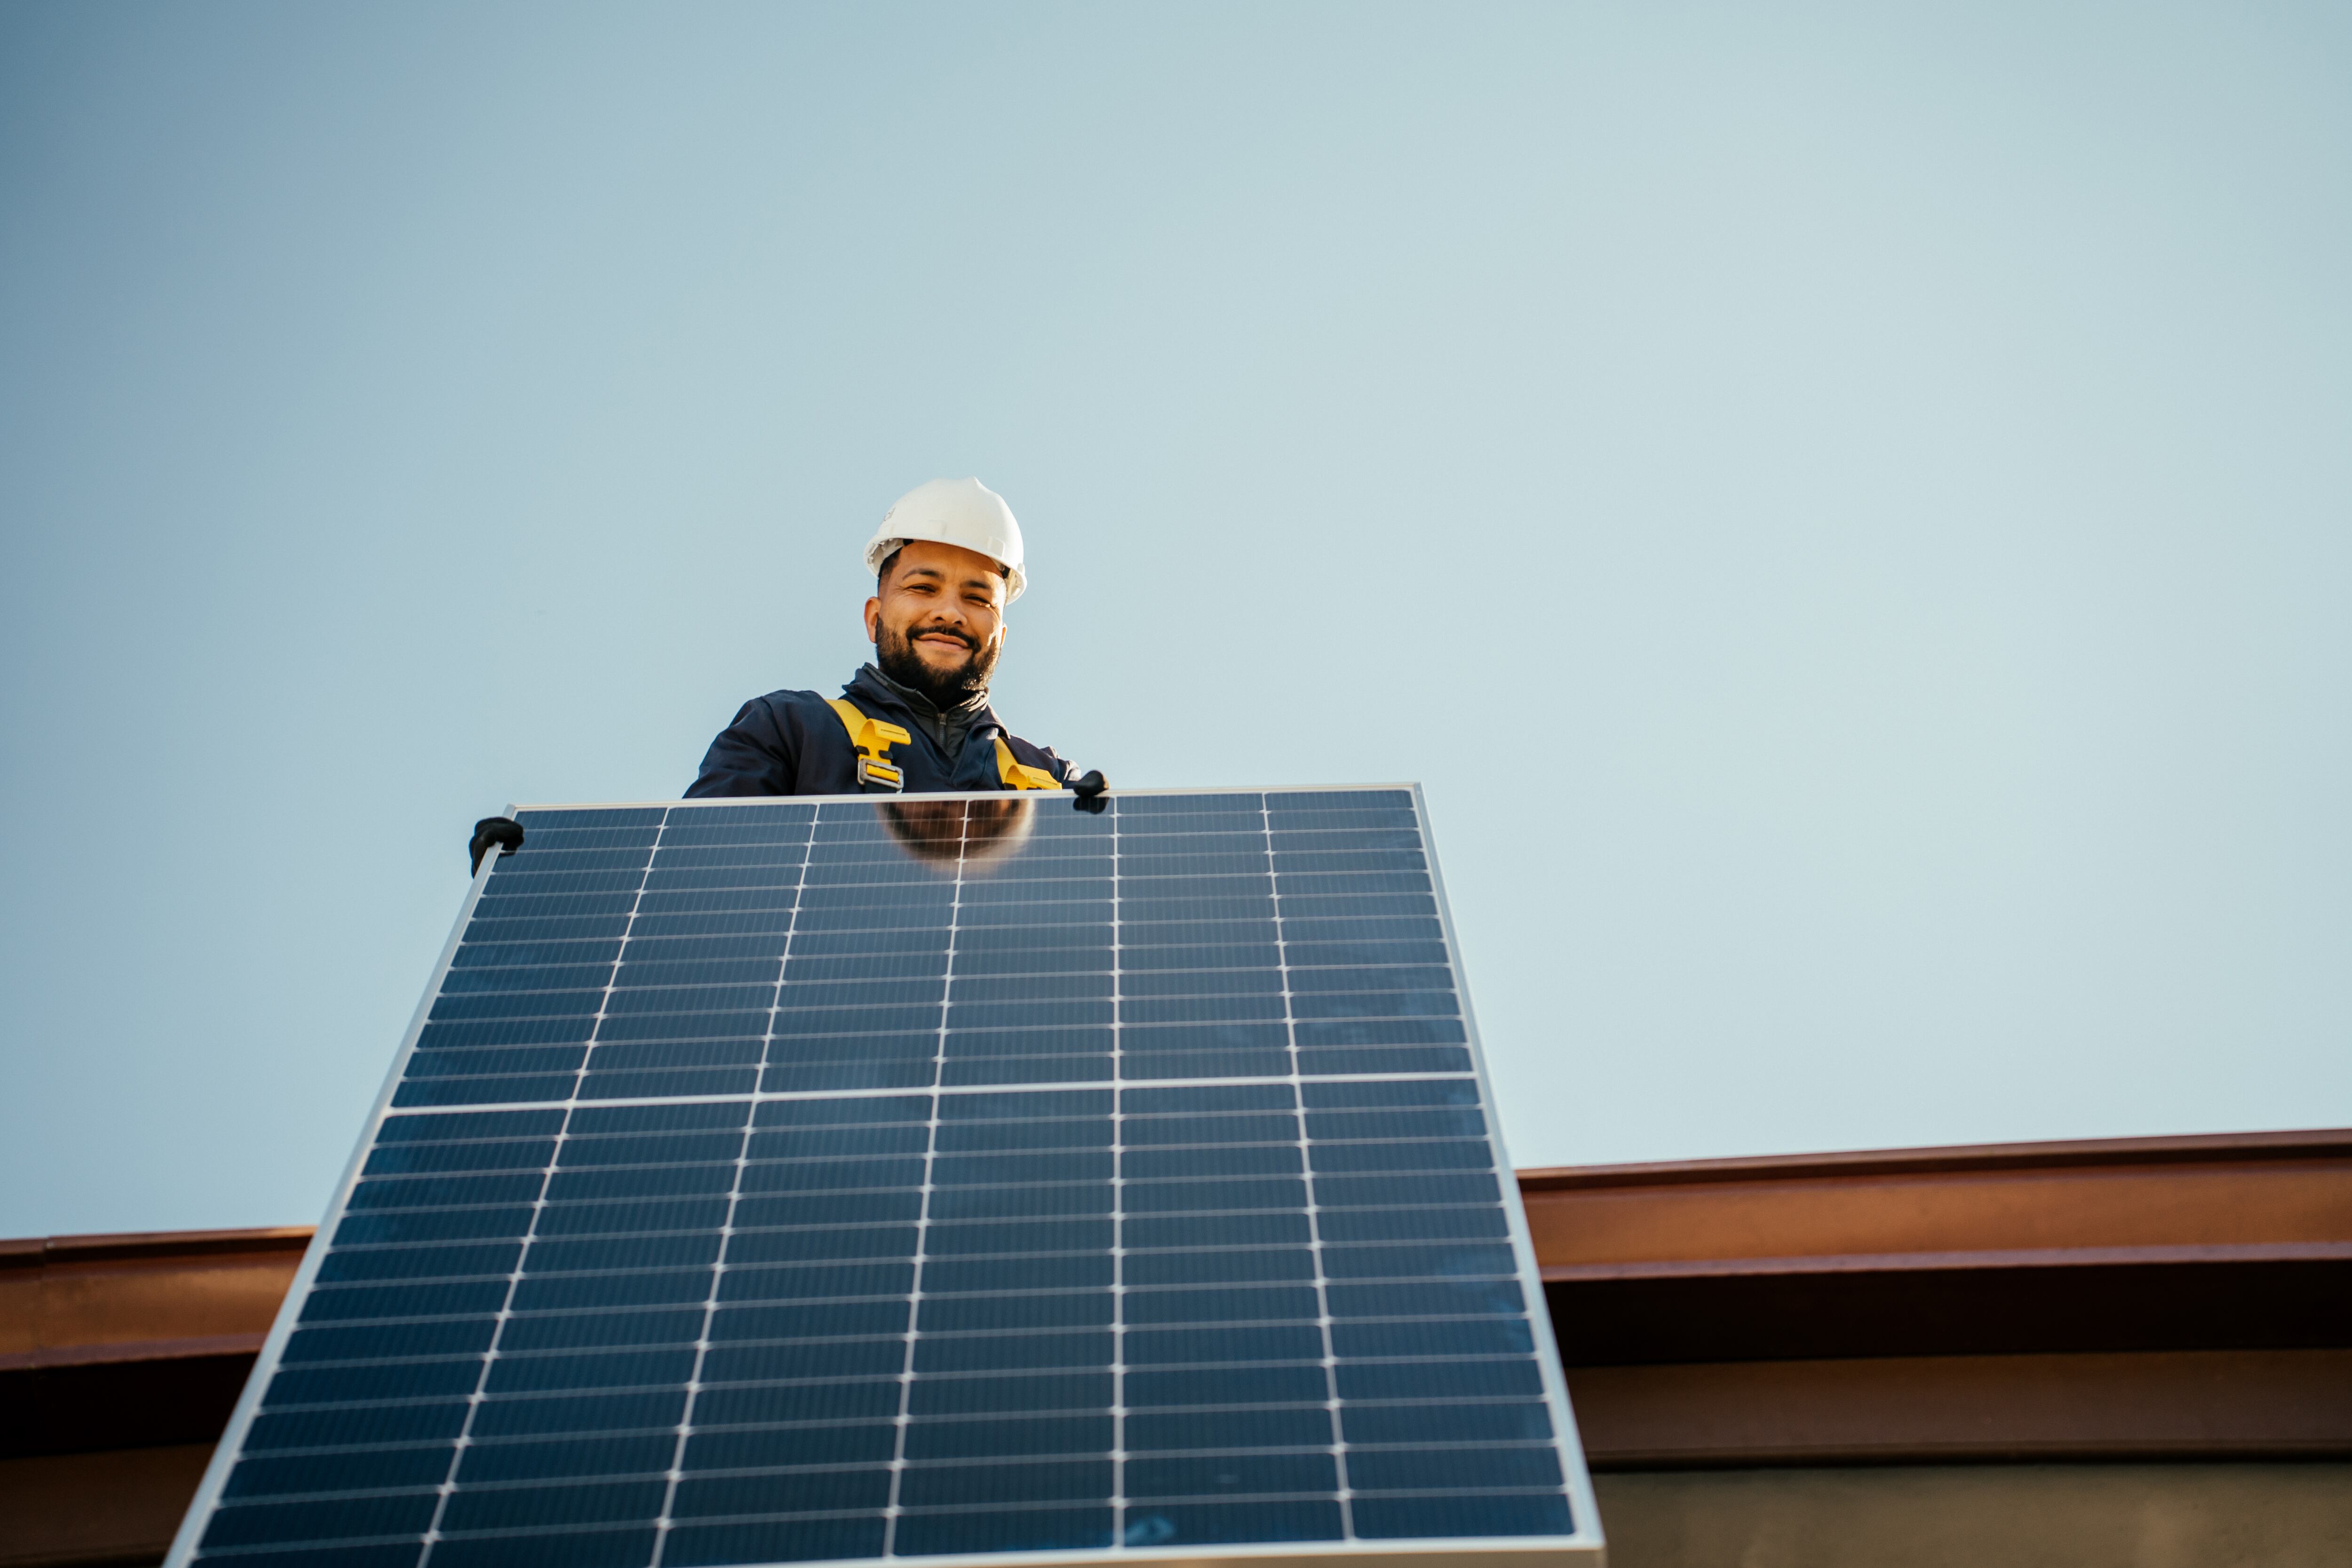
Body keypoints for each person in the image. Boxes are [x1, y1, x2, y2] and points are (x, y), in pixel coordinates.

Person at [685, 477, 1097, 799]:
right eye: (923, 588)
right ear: (874, 618)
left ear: (1001, 637)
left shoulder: (1054, 783)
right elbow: (703, 883)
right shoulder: (787, 731)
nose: (950, 613)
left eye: (977, 598)